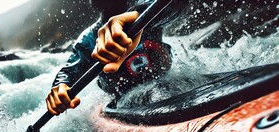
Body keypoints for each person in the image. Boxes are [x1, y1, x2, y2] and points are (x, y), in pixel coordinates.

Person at [46, 0, 188, 115]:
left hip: (165, 85)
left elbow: (176, 5)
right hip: (123, 100)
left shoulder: (147, 9)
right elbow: (70, 71)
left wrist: (138, 17)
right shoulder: (89, 39)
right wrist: (60, 86)